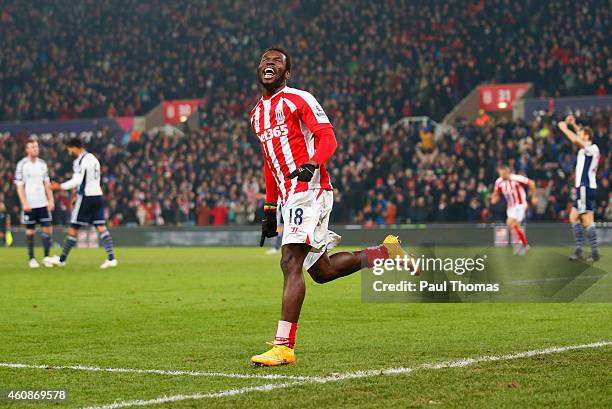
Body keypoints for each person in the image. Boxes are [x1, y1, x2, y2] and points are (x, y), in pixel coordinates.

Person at [250, 47, 406, 366]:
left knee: (290, 260)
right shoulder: (256, 114)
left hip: (309, 188)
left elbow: (328, 138)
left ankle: (284, 346)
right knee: (322, 271)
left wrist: (313, 163)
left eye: (278, 61)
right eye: (265, 60)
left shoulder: (300, 99)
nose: (270, 63)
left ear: (287, 74)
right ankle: (386, 252)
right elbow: (269, 163)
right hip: (288, 196)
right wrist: (268, 208)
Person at [49, 138, 118, 268]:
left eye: (70, 149)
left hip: (86, 197)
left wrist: (60, 187)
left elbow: (77, 180)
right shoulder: (93, 158)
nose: (69, 152)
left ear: (75, 147)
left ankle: (62, 260)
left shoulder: (80, 160)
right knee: (101, 226)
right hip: (97, 195)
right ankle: (111, 258)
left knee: (73, 227)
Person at [558, 115, 600, 262]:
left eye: (582, 133)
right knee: (573, 217)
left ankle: (593, 253)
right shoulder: (589, 147)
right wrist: (574, 124)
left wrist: (564, 128)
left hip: (585, 187)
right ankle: (580, 251)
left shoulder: (591, 148)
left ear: (587, 136)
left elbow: (576, 140)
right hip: (585, 187)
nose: (579, 133)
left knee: (587, 220)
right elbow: (579, 136)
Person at [14, 139, 56, 268]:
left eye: (36, 147)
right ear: (27, 150)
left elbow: (47, 184)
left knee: (47, 229)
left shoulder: (42, 164)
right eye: (32, 147)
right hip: (30, 204)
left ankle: (46, 257)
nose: (35, 149)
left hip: (42, 202)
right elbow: (20, 186)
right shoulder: (22, 165)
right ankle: (31, 258)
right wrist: (24, 203)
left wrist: (51, 200)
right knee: (30, 231)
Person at [490, 165, 537, 255]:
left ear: (507, 172)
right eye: (500, 174)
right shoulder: (499, 181)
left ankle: (520, 244)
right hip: (510, 207)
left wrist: (534, 197)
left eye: (503, 174)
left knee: (511, 222)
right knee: (513, 225)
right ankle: (524, 244)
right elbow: (496, 192)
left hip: (520, 205)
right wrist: (494, 198)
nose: (501, 176)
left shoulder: (516, 178)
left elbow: (531, 183)